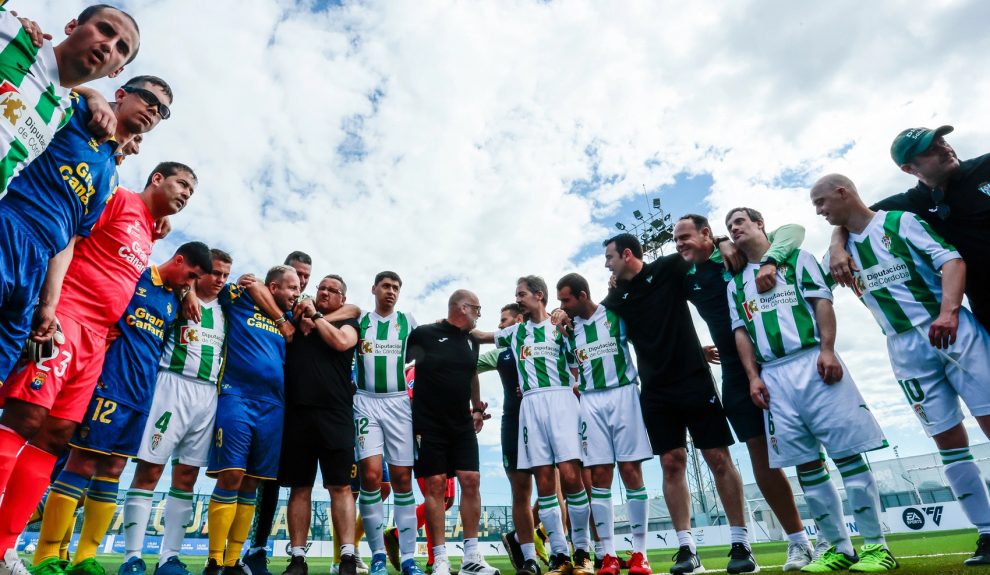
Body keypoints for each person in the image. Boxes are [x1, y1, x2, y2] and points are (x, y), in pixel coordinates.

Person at [0, 161, 196, 573]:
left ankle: (4, 546)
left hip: (97, 340)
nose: (186, 194)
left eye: (191, 193)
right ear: (157, 178)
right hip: (66, 317)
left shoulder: (148, 234)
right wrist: (48, 303)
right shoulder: (117, 198)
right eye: (182, 184)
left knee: (55, 437)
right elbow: (70, 237)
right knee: (25, 417)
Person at [812, 174, 990, 567]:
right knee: (948, 442)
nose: (820, 211)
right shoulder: (835, 256)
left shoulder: (900, 222)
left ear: (843, 193)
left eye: (821, 202)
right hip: (903, 349)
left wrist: (949, 312)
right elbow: (812, 288)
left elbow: (952, 261)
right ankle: (987, 532)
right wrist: (835, 244)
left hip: (953, 331)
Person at [725, 207, 893, 573]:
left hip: (813, 361)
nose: (734, 228)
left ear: (760, 223)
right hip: (773, 375)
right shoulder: (735, 284)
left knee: (847, 455)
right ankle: (839, 548)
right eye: (729, 225)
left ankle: (877, 546)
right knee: (807, 465)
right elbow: (742, 333)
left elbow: (822, 303)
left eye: (740, 221)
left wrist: (827, 350)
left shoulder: (798, 259)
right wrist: (753, 376)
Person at [29, 242, 212, 575]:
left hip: (142, 394)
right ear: (178, 260)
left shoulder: (174, 300)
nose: (190, 283)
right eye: (190, 276)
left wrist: (186, 292)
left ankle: (85, 557)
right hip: (109, 383)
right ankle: (46, 555)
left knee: (113, 470)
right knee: (82, 462)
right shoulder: (136, 276)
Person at [599, 234, 754, 574]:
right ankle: (687, 549)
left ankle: (741, 542)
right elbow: (587, 319)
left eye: (610, 257)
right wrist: (559, 313)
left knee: (718, 458)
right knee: (671, 463)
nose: (607, 264)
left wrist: (723, 242)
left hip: (693, 380)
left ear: (627, 254)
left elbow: (701, 253)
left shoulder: (668, 268)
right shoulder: (615, 298)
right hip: (655, 391)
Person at [0, 74, 171, 382]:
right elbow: (45, 79)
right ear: (121, 94)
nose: (153, 110)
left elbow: (70, 240)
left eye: (162, 110)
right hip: (10, 229)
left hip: (34, 272)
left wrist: (48, 305)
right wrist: (91, 93)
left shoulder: (110, 178)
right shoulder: (78, 111)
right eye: (149, 99)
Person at [672, 214, 815, 570]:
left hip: (773, 362)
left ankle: (831, 534)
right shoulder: (686, 276)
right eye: (675, 240)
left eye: (684, 237)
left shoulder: (735, 252)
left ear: (706, 233)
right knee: (760, 457)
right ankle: (799, 542)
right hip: (736, 375)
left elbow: (793, 230)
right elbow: (659, 310)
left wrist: (744, 250)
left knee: (806, 450)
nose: (679, 244)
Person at [118, 249, 233, 575]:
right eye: (216, 273)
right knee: (150, 470)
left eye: (226, 275)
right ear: (201, 272)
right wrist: (187, 291)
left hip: (207, 395)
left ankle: (169, 557)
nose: (221, 280)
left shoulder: (226, 309)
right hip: (171, 386)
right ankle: (132, 557)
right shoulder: (176, 298)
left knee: (186, 477)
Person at [477, 276, 592, 575]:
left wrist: (566, 319)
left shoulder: (560, 326)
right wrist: (454, 322)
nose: (518, 299)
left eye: (522, 294)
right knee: (544, 481)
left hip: (561, 400)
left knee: (571, 476)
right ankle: (559, 555)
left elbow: (578, 363)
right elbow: (481, 336)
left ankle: (583, 551)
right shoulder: (515, 332)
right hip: (530, 405)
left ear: (539, 295)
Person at [828, 126, 990, 331]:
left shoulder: (985, 166)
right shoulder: (912, 203)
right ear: (909, 169)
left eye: (942, 142)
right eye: (931, 150)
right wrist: (836, 248)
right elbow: (853, 217)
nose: (945, 149)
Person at [204, 266, 300, 575]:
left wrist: (285, 317)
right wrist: (256, 286)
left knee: (252, 482)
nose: (296, 293)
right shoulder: (241, 296)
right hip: (237, 396)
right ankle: (214, 559)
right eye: (291, 287)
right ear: (273, 286)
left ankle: (234, 560)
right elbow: (229, 282)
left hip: (273, 406)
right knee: (231, 474)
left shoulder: (294, 315)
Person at [555, 274, 653, 575]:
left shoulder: (615, 314)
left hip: (624, 393)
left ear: (583, 295)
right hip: (591, 400)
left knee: (631, 470)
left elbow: (648, 339)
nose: (563, 306)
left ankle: (640, 554)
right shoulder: (569, 329)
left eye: (566, 300)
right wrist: (557, 314)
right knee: (599, 475)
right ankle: (608, 555)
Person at [0, 4, 140, 191]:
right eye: (105, 30)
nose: (109, 46)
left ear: (117, 71)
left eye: (121, 48)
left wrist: (93, 94)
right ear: (71, 26)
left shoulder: (63, 112)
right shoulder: (11, 30)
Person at [407, 289, 493, 575]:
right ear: (463, 307)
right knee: (435, 485)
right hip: (428, 423)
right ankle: (440, 558)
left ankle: (471, 556)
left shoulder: (471, 340)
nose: (479, 315)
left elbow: (472, 374)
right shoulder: (424, 333)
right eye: (477, 309)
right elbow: (399, 363)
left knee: (471, 480)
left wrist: (477, 409)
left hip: (461, 423)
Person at [279, 275, 360, 575]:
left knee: (340, 486)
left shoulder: (347, 324)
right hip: (298, 414)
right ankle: (297, 558)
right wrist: (305, 313)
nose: (325, 292)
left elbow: (341, 341)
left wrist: (315, 317)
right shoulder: (296, 317)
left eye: (332, 290)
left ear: (341, 298)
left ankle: (347, 558)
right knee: (300, 487)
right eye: (321, 288)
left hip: (336, 415)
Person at [245, 250, 314, 575]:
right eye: (297, 276)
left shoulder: (305, 305)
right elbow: (252, 284)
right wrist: (281, 320)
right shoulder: (269, 297)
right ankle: (250, 549)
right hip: (260, 402)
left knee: (296, 482)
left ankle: (290, 552)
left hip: (295, 408)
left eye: (306, 277)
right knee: (259, 479)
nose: (302, 283)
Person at [352, 272, 420, 575]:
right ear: (374, 289)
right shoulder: (360, 320)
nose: (391, 291)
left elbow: (427, 353)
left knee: (403, 479)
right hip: (365, 402)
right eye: (386, 286)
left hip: (398, 404)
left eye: (395, 288)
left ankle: (408, 558)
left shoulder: (408, 322)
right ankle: (378, 555)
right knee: (371, 476)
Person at [478, 304, 542, 575]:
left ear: (518, 319)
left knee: (556, 488)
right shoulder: (500, 353)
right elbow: (466, 365)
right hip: (513, 423)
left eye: (503, 320)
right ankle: (529, 558)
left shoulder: (544, 339)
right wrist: (475, 407)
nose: (500, 326)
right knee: (521, 491)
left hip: (544, 420)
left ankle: (562, 553)